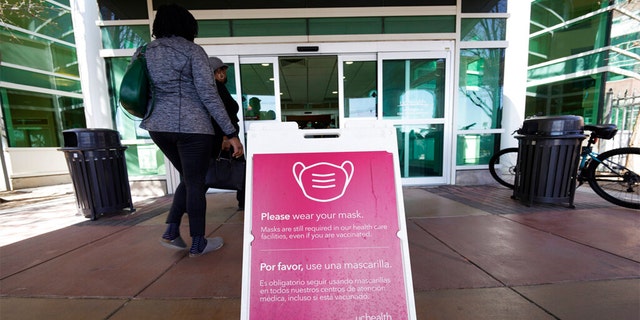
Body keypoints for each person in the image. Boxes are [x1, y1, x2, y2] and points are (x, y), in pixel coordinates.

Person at [134, 4, 244, 257]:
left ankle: (172, 230)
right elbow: (208, 95)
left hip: (158, 127)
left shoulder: (143, 52)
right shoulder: (193, 51)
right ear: (188, 25)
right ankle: (198, 242)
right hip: (194, 128)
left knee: (189, 177)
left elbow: (141, 91)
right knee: (196, 182)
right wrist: (231, 133)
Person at [209, 57, 246, 209]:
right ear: (216, 72)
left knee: (212, 169)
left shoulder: (214, 89)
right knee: (240, 168)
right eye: (221, 70)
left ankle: (243, 201)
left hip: (224, 135)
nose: (224, 73)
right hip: (225, 136)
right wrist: (227, 137)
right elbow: (221, 114)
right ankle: (244, 202)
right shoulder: (216, 89)